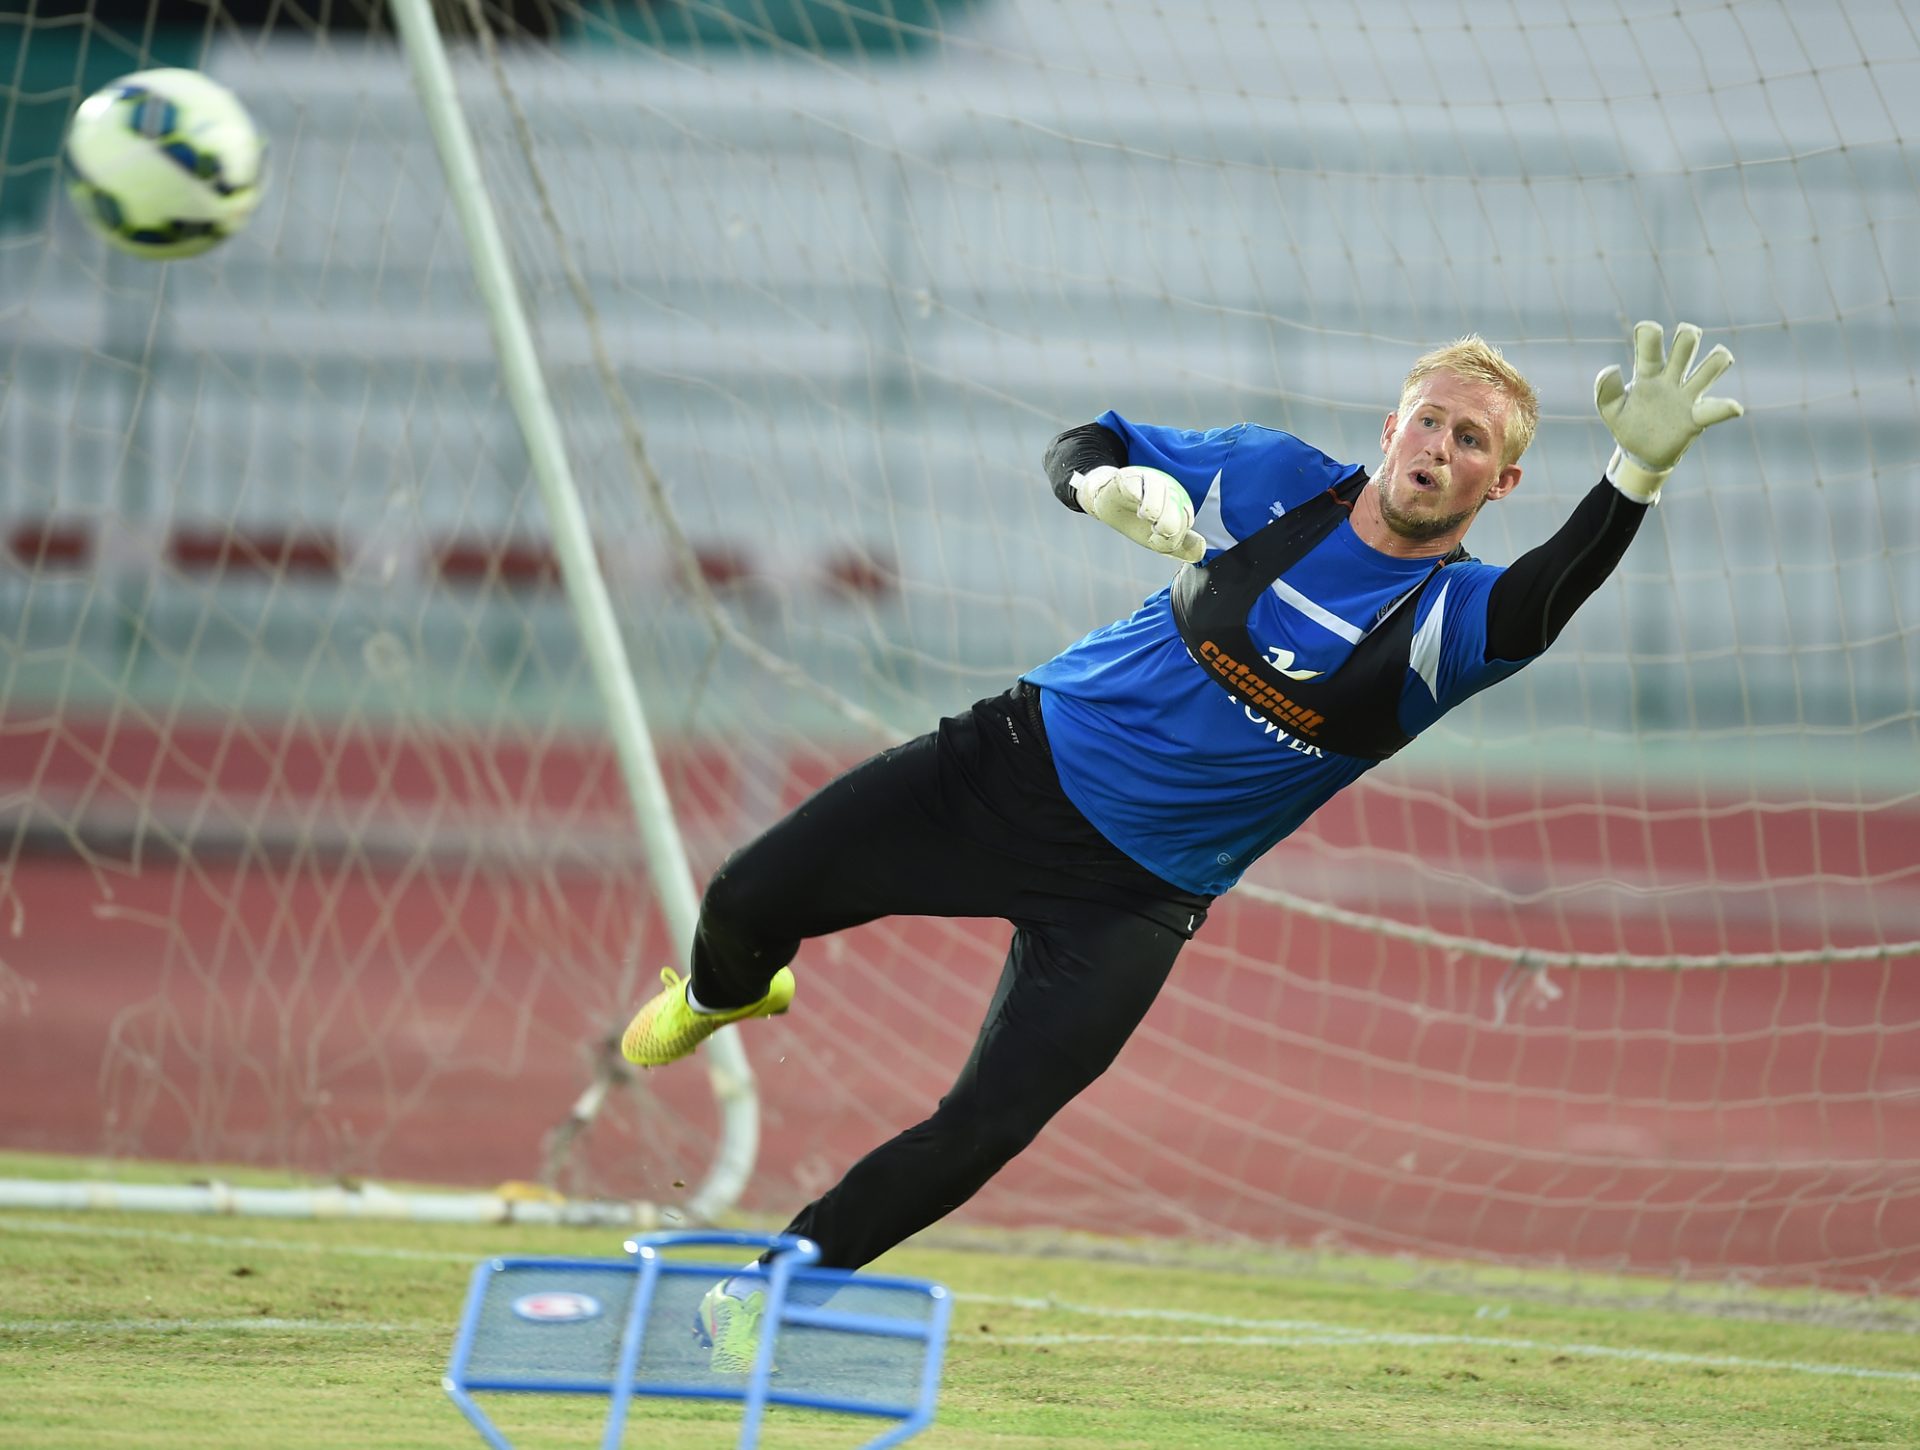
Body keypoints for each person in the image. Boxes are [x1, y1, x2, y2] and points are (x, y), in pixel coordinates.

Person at [618, 319, 1744, 1370]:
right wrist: (1098, 485)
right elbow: (1091, 437)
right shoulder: (1274, 480)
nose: (1439, 449)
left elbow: (1548, 596)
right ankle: (726, 995)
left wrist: (1632, 477)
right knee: (743, 896)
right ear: (1389, 427)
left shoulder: (1453, 625)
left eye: (1472, 442)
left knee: (985, 1127)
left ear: (1498, 485)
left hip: (1134, 899)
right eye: (1429, 420)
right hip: (1011, 764)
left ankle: (773, 1289)